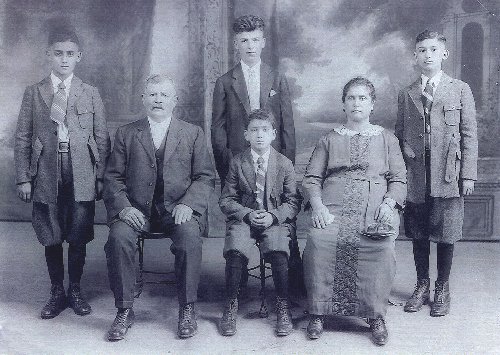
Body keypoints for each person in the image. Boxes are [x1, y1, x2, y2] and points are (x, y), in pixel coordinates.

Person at [103, 74, 215, 341]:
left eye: (164, 95)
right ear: (143, 99)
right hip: (136, 211)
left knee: (189, 238)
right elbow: (112, 177)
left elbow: (205, 176)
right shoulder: (127, 133)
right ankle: (124, 309)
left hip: (176, 210)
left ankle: (187, 308)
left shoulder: (192, 133)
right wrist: (124, 208)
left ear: (175, 101)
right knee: (118, 238)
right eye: (153, 94)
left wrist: (189, 204)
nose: (158, 100)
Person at [14, 25, 110, 319]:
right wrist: (24, 177)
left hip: (81, 169)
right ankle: (57, 291)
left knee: (79, 231)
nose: (64, 59)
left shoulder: (90, 93)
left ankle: (76, 289)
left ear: (79, 56)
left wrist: (99, 176)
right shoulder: (34, 93)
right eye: (58, 54)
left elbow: (102, 137)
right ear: (48, 55)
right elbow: (23, 137)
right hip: (45, 170)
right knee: (51, 232)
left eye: (70, 54)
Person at [302, 77, 407, 346]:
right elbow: (312, 178)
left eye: (362, 98)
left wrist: (389, 203)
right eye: (351, 98)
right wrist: (318, 206)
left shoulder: (387, 139)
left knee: (380, 248)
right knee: (319, 240)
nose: (356, 103)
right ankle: (318, 311)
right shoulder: (329, 139)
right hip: (333, 204)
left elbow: (398, 179)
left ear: (372, 105)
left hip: (373, 206)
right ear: (344, 104)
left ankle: (375, 314)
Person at [395, 30, 477, 317]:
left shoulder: (459, 89)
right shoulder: (407, 94)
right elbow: (400, 134)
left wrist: (468, 175)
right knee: (417, 231)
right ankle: (422, 284)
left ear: (444, 53)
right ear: (415, 56)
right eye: (421, 50)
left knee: (446, 232)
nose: (427, 55)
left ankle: (442, 286)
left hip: (448, 173)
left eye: (433, 49)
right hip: (417, 174)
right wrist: (405, 149)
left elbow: (469, 135)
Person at [218, 109, 301, 337]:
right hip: (245, 220)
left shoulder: (284, 164)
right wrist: (245, 214)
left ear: (274, 134)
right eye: (254, 130)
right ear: (246, 135)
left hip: (274, 220)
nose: (260, 135)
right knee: (236, 246)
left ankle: (283, 304)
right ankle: (231, 303)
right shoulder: (237, 163)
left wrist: (274, 215)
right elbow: (226, 200)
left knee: (277, 247)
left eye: (265, 130)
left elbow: (294, 202)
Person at [211, 14, 295, 186]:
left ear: (263, 42)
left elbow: (287, 127)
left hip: (274, 159)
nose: (250, 47)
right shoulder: (224, 82)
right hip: (238, 162)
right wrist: (227, 167)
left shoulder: (278, 79)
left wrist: (286, 166)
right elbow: (218, 130)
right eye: (244, 41)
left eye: (255, 40)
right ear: (236, 44)